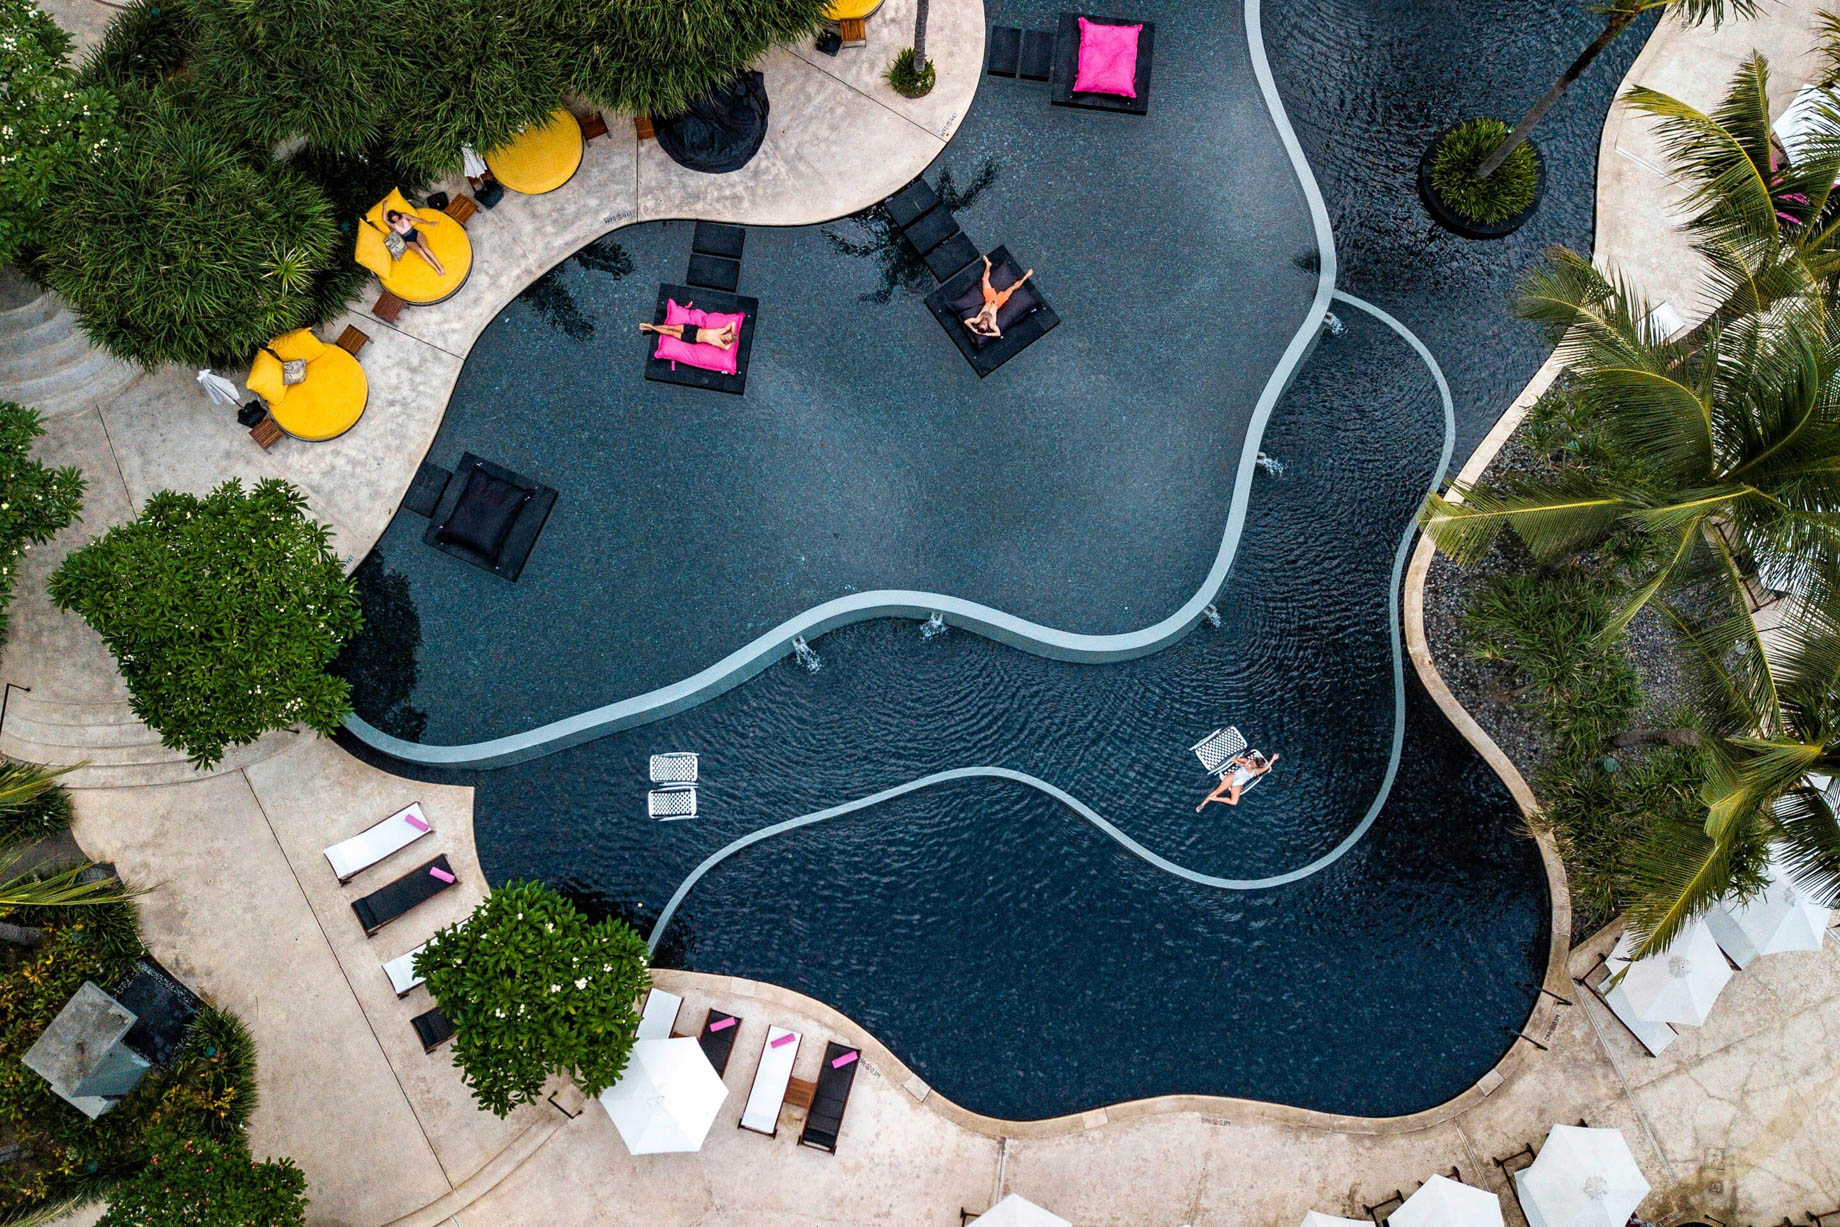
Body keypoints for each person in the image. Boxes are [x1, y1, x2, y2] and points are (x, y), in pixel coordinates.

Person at [962, 254, 1034, 339]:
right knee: (1012, 288)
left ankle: (988, 265)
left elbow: (966, 322)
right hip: (998, 302)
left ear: (979, 325)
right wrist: (987, 334)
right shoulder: (992, 324)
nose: (984, 323)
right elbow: (998, 333)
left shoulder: (977, 319)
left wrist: (973, 330)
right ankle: (1026, 277)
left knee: (984, 279)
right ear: (987, 328)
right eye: (985, 326)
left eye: (982, 324)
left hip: (989, 298)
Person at [1195, 751, 1279, 811]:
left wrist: (1273, 759)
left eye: (1254, 763)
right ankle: (1203, 804)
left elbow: (1267, 767)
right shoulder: (1247, 761)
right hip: (1233, 777)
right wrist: (1244, 765)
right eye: (1253, 761)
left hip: (1238, 784)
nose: (1253, 762)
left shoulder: (1256, 771)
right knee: (1217, 791)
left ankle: (1214, 799)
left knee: (1234, 802)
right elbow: (1234, 760)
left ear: (1257, 766)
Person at [386, 209, 446, 276]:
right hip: (408, 240)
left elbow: (417, 219)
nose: (395, 219)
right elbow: (384, 220)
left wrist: (429, 223)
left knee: (425, 248)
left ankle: (440, 266)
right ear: (391, 219)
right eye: (393, 219)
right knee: (420, 251)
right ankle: (436, 268)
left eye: (395, 217)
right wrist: (384, 207)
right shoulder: (393, 225)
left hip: (416, 233)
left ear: (397, 214)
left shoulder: (404, 215)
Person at [640, 320, 738, 351]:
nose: (726, 337)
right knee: (672, 327)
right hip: (694, 329)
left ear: (728, 341)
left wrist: (732, 342)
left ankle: (651, 327)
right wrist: (734, 334)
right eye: (728, 335)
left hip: (692, 338)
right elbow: (733, 323)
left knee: (671, 333)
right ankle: (651, 327)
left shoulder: (719, 342)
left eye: (728, 338)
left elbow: (726, 348)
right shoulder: (722, 331)